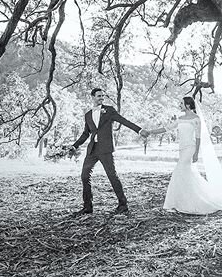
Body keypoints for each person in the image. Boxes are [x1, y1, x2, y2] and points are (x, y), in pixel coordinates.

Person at [68, 87, 149, 215]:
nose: (101, 98)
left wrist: (139, 130)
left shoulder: (109, 110)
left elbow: (124, 121)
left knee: (112, 176)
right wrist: (74, 146)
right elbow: (85, 134)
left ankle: (123, 205)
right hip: (92, 150)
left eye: (102, 96)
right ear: (92, 97)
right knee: (84, 176)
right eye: (99, 96)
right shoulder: (88, 115)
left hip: (105, 149)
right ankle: (87, 207)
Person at [144, 96, 222, 214]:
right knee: (187, 174)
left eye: (181, 103)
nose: (179, 105)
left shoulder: (196, 119)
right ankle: (186, 200)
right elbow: (166, 128)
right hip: (182, 149)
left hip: (190, 149)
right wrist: (151, 131)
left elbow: (198, 137)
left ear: (188, 105)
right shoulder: (180, 119)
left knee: (179, 171)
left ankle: (176, 202)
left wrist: (196, 153)